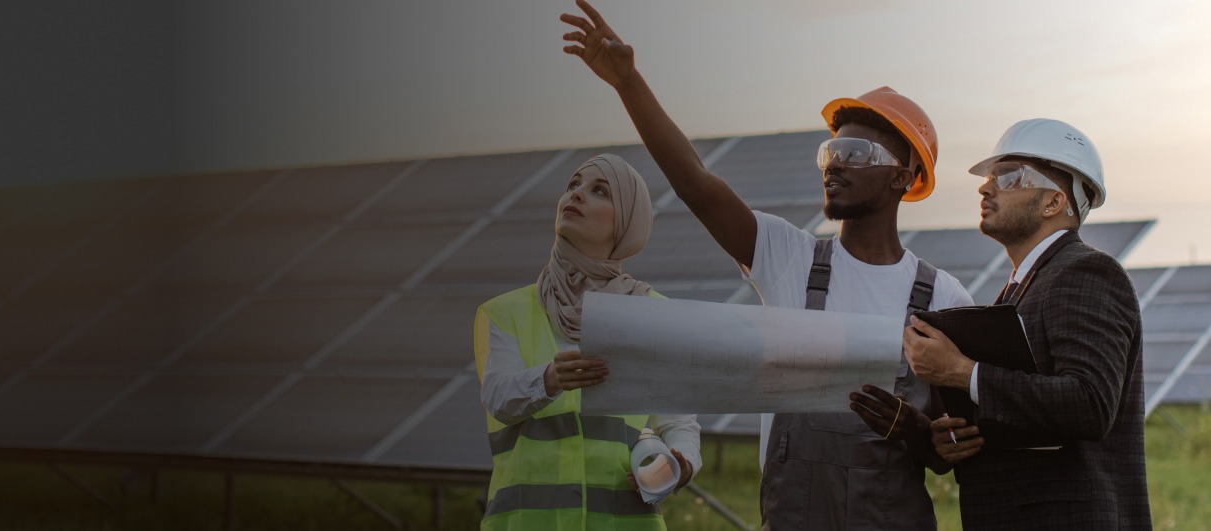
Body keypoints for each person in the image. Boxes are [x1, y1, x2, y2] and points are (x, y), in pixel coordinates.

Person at [558, 2, 973, 528]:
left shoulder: (945, 299)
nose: (836, 163)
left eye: (859, 154)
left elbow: (946, 450)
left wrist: (916, 429)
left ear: (903, 177)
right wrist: (628, 83)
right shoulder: (789, 258)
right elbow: (695, 184)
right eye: (831, 151)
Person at [904, 118, 1151, 530]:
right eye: (989, 177)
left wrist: (962, 373)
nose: (985, 188)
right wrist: (965, 435)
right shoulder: (1023, 288)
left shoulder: (1086, 271)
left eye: (1008, 177)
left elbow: (1090, 403)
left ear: (1053, 202)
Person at [473, 153, 702, 530]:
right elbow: (498, 398)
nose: (576, 195)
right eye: (573, 186)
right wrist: (548, 379)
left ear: (628, 221)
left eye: (599, 191)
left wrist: (682, 465)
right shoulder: (504, 312)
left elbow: (678, 421)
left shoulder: (655, 314)